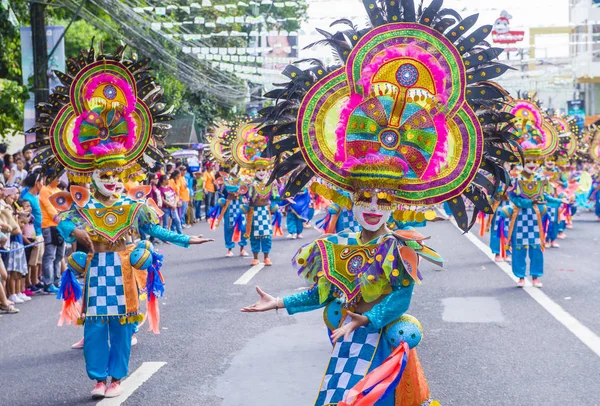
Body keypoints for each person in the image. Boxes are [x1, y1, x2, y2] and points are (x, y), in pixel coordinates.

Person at [242, 1, 515, 403]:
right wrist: (279, 302)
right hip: (347, 343)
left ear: (396, 204)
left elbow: (402, 297)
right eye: (364, 197)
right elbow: (323, 294)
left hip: (383, 345)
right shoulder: (335, 246)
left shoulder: (401, 247)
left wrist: (366, 318)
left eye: (382, 200)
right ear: (348, 199)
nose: (372, 206)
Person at [27, 42, 214, 400]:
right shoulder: (82, 205)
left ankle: (118, 378)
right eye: (104, 173)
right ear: (92, 174)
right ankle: (99, 378)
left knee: (124, 326)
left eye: (116, 173)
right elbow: (64, 224)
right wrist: (79, 231)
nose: (111, 179)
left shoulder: (133, 205)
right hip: (96, 269)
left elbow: (154, 230)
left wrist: (187, 240)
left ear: (123, 173)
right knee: (96, 327)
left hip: (126, 271)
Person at [39, 177, 65, 292]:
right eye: (56, 176)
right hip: (49, 226)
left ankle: (56, 280)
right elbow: (51, 210)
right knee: (50, 255)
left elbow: (64, 207)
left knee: (59, 255)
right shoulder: (45, 190)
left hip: (61, 226)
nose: (58, 178)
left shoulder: (58, 191)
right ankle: (48, 283)